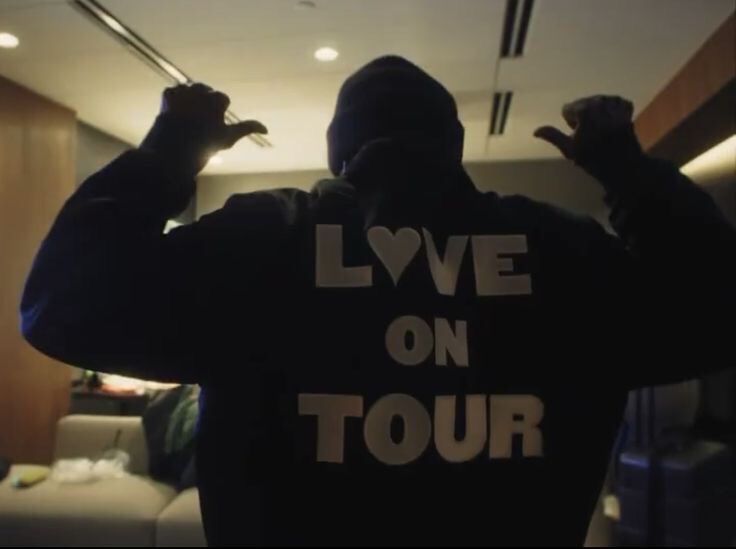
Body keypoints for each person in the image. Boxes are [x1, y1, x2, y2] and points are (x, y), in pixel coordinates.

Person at [20, 56, 735, 546]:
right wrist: (628, 172)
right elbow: (718, 308)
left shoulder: (264, 239)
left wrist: (171, 147)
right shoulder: (559, 249)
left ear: (341, 150)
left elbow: (59, 300)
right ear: (453, 146)